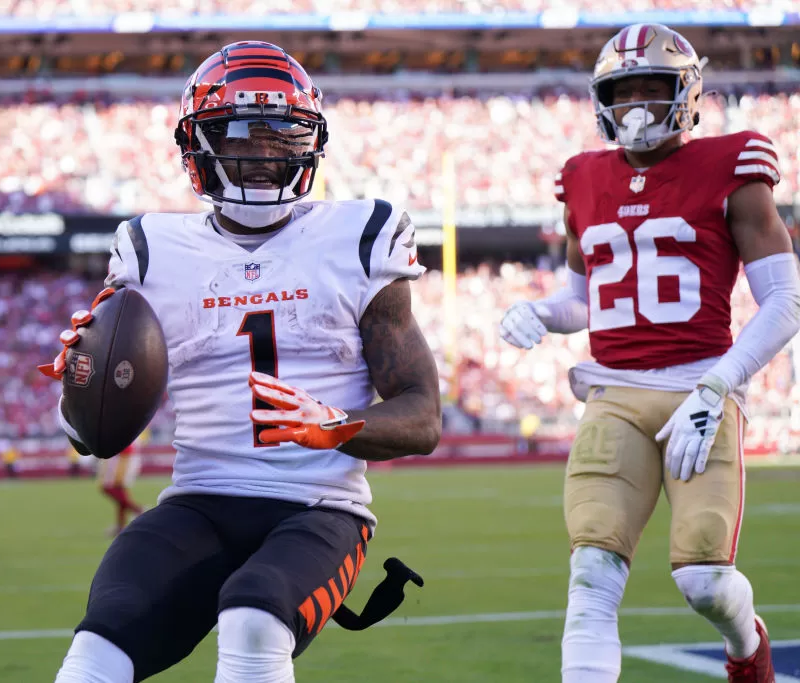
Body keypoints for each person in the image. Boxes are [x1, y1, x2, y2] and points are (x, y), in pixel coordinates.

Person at [40, 40, 442, 683]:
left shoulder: (362, 235)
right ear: (200, 145)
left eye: (282, 138)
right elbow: (91, 437)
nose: (261, 157)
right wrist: (78, 391)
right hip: (198, 501)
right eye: (239, 139)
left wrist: (334, 425)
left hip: (319, 505)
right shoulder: (150, 248)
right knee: (100, 644)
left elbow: (423, 419)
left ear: (309, 144)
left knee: (252, 619)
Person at [499, 24, 800, 683]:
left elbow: (785, 302)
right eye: (623, 91)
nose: (636, 105)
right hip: (614, 392)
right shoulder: (582, 177)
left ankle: (747, 642)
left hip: (701, 384)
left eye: (651, 89)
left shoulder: (733, 164)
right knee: (592, 570)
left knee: (703, 578)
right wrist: (542, 312)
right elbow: (585, 299)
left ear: (686, 95)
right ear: (601, 99)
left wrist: (718, 387)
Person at [97, 434, 145, 537]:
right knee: (119, 491)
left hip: (121, 453)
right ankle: (120, 526)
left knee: (107, 487)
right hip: (122, 452)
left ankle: (138, 510)